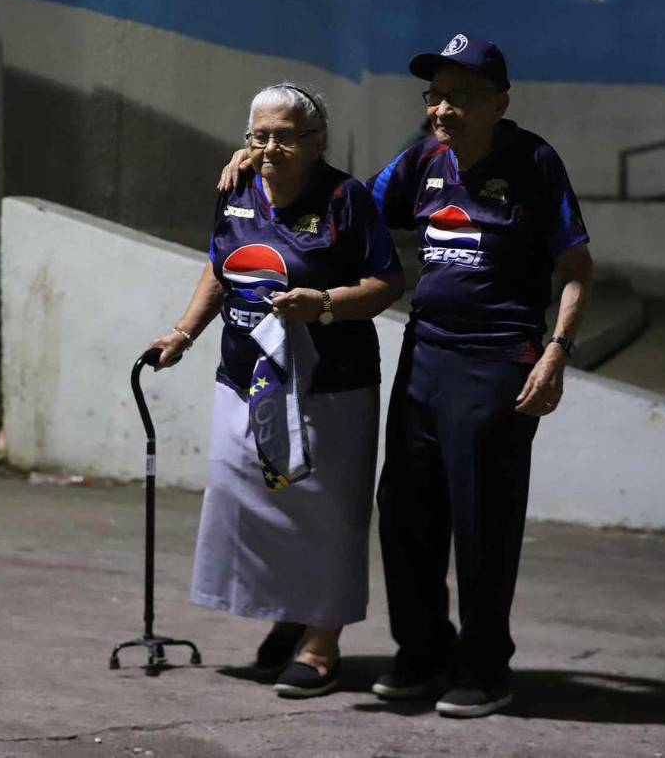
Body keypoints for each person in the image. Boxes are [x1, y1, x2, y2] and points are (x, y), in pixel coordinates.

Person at [219, 35, 593, 718]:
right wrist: (274, 159)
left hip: (499, 360)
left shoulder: (533, 162)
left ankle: (483, 667)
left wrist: (557, 349)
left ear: (499, 102)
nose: (442, 109)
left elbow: (575, 265)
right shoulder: (423, 158)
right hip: (426, 353)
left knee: (483, 519)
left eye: (460, 97)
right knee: (407, 510)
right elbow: (352, 203)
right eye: (435, 95)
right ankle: (422, 652)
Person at [146, 83, 404, 699]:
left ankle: (321, 644)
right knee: (251, 499)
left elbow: (387, 282)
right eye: (258, 136)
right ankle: (288, 614)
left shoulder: (347, 198)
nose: (269, 148)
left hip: (328, 384)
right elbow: (219, 264)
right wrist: (183, 333)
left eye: (284, 136)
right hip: (245, 377)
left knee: (327, 510)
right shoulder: (235, 187)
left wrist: (327, 305)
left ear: (316, 142)